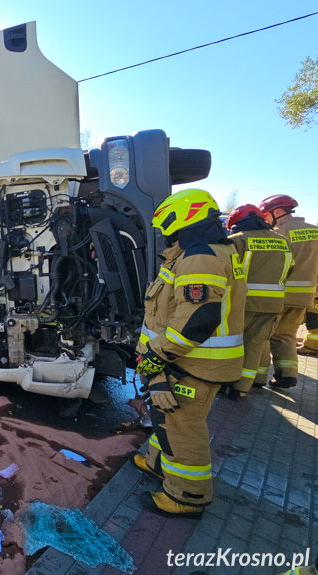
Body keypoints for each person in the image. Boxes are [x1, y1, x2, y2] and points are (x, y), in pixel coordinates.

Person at [131, 188, 245, 518]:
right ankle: (157, 464)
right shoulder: (209, 251)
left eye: (169, 226)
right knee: (166, 417)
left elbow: (197, 320)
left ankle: (187, 495)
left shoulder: (200, 257)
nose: (166, 233)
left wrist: (158, 356)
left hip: (191, 362)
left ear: (184, 217)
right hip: (190, 360)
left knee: (183, 427)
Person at [225, 204, 292, 394]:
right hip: (274, 304)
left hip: (242, 302)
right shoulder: (283, 241)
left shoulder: (238, 240)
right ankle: (242, 387)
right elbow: (290, 269)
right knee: (255, 344)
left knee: (234, 344)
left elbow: (226, 269)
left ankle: (229, 382)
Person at [258, 194, 318, 388]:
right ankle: (287, 374)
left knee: (264, 336)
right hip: (305, 297)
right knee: (286, 335)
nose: (265, 219)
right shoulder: (315, 232)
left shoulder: (278, 234)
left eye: (266, 214)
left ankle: (257, 378)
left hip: (279, 295)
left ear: (278, 211)